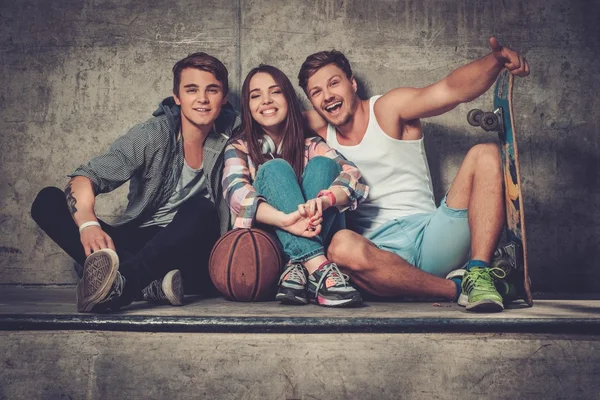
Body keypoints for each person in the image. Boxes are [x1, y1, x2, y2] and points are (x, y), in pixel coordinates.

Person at [298, 37, 530, 312]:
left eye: (334, 83)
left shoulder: (388, 108)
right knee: (339, 247)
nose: (327, 96)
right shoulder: (318, 129)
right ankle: (456, 288)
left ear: (352, 83)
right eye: (316, 92)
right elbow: (272, 122)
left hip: (432, 236)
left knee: (487, 153)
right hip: (378, 256)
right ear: (312, 101)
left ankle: (478, 272)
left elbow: (450, 90)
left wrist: (494, 62)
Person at [31, 52, 238, 313]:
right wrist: (87, 224)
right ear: (177, 97)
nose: (202, 99)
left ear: (224, 97)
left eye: (212, 90)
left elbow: (286, 118)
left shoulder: (235, 129)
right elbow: (86, 177)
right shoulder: (152, 135)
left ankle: (124, 284)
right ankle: (151, 285)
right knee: (47, 201)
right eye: (191, 89)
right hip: (144, 243)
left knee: (201, 208)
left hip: (195, 254)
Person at [222, 65, 368, 307]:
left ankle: (299, 266)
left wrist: (324, 201)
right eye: (256, 95)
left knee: (323, 165)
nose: (266, 101)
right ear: (248, 106)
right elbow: (236, 195)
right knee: (273, 168)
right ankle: (318, 269)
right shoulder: (239, 147)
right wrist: (285, 220)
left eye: (275, 92)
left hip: (321, 234)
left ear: (288, 98)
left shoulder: (311, 144)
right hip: (271, 249)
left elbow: (354, 177)